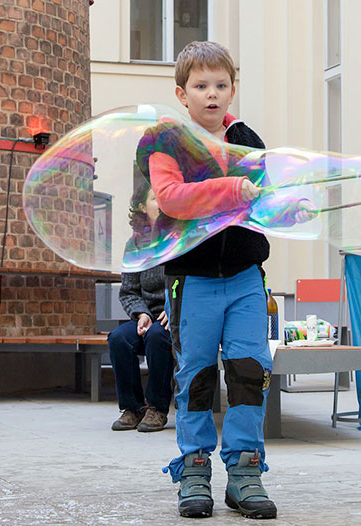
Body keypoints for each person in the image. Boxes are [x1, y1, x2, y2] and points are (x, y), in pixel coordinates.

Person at [136, 41, 285, 520]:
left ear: (233, 90)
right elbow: (172, 198)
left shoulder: (245, 137)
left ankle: (245, 473)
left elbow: (261, 201)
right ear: (182, 94)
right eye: (201, 86)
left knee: (248, 372)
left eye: (221, 85)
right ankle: (194, 469)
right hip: (192, 281)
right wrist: (233, 189)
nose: (212, 94)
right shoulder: (166, 142)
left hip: (245, 277)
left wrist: (279, 201)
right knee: (196, 375)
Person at [107, 184, 174, 433]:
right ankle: (133, 408)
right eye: (156, 198)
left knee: (158, 336)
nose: (162, 202)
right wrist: (141, 314)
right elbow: (129, 291)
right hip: (147, 315)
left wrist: (175, 308)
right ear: (143, 207)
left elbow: (190, 282)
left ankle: (157, 408)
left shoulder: (182, 237)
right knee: (118, 339)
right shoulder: (135, 245)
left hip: (174, 317)